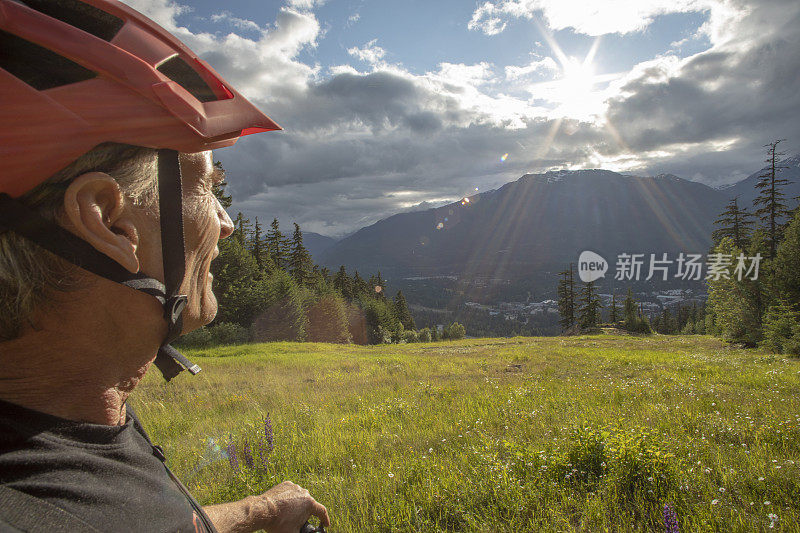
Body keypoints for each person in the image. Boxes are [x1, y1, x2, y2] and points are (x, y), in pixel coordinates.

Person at [0, 0, 330, 531]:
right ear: (108, 221)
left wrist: (258, 511)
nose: (225, 224)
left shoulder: (64, 419)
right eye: (206, 187)